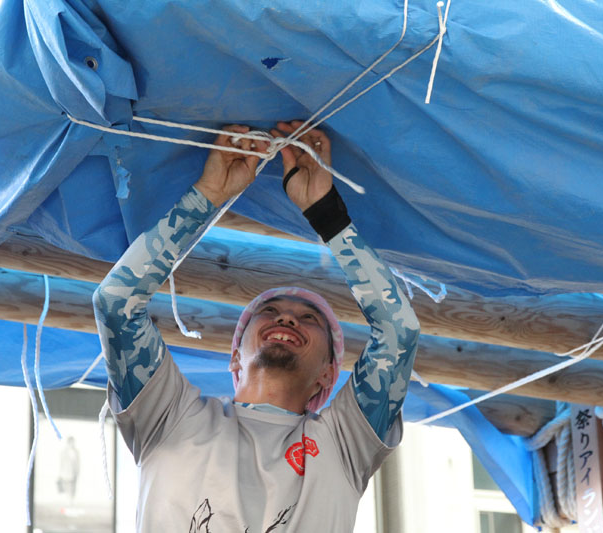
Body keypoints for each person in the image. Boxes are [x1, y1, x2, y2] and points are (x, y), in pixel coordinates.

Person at [93, 121, 420, 532]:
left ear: (327, 373)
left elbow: (398, 332)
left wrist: (327, 213)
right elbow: (115, 303)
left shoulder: (344, 442)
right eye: (268, 311)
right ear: (234, 356)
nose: (287, 318)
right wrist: (209, 195)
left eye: (310, 319)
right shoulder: (170, 416)